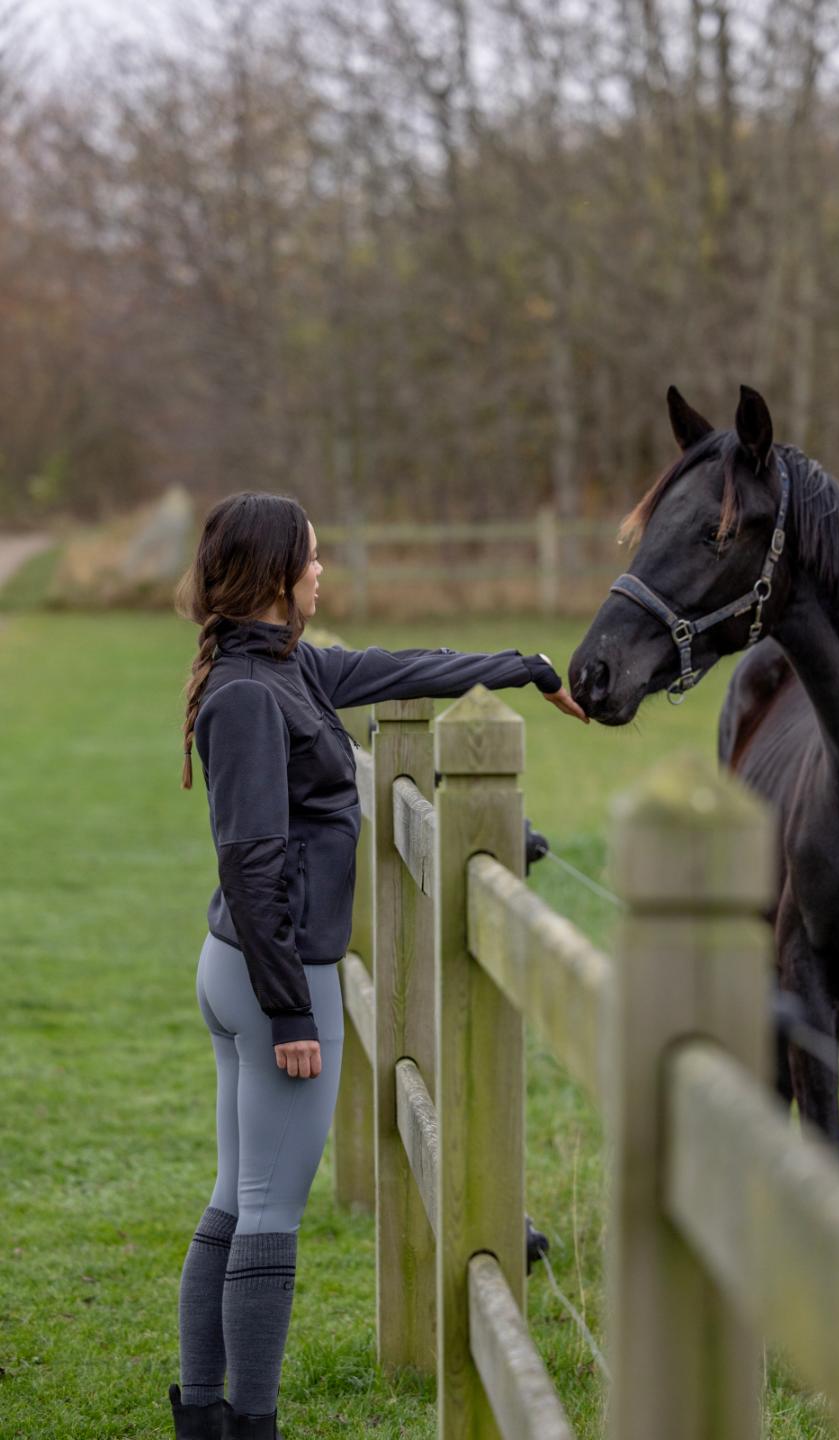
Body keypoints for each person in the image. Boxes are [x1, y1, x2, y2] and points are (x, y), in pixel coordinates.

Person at [166, 491, 587, 1439]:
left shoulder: (287, 670)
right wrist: (292, 1016)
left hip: (247, 968)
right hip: (274, 978)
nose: (323, 572)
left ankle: (203, 1414)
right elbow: (253, 859)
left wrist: (524, 666)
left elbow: (405, 666)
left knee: (239, 1198)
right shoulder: (245, 695)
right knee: (269, 1213)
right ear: (276, 576)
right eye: (312, 559)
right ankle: (248, 1424)